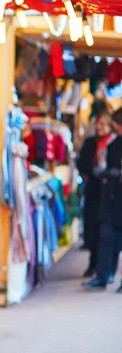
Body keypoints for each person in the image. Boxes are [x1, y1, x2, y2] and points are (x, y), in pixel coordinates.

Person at [83, 108, 122, 291]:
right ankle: (102, 274)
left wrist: (111, 174)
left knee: (111, 236)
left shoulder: (115, 143)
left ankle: (106, 273)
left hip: (114, 195)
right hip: (106, 196)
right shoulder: (110, 143)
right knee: (104, 233)